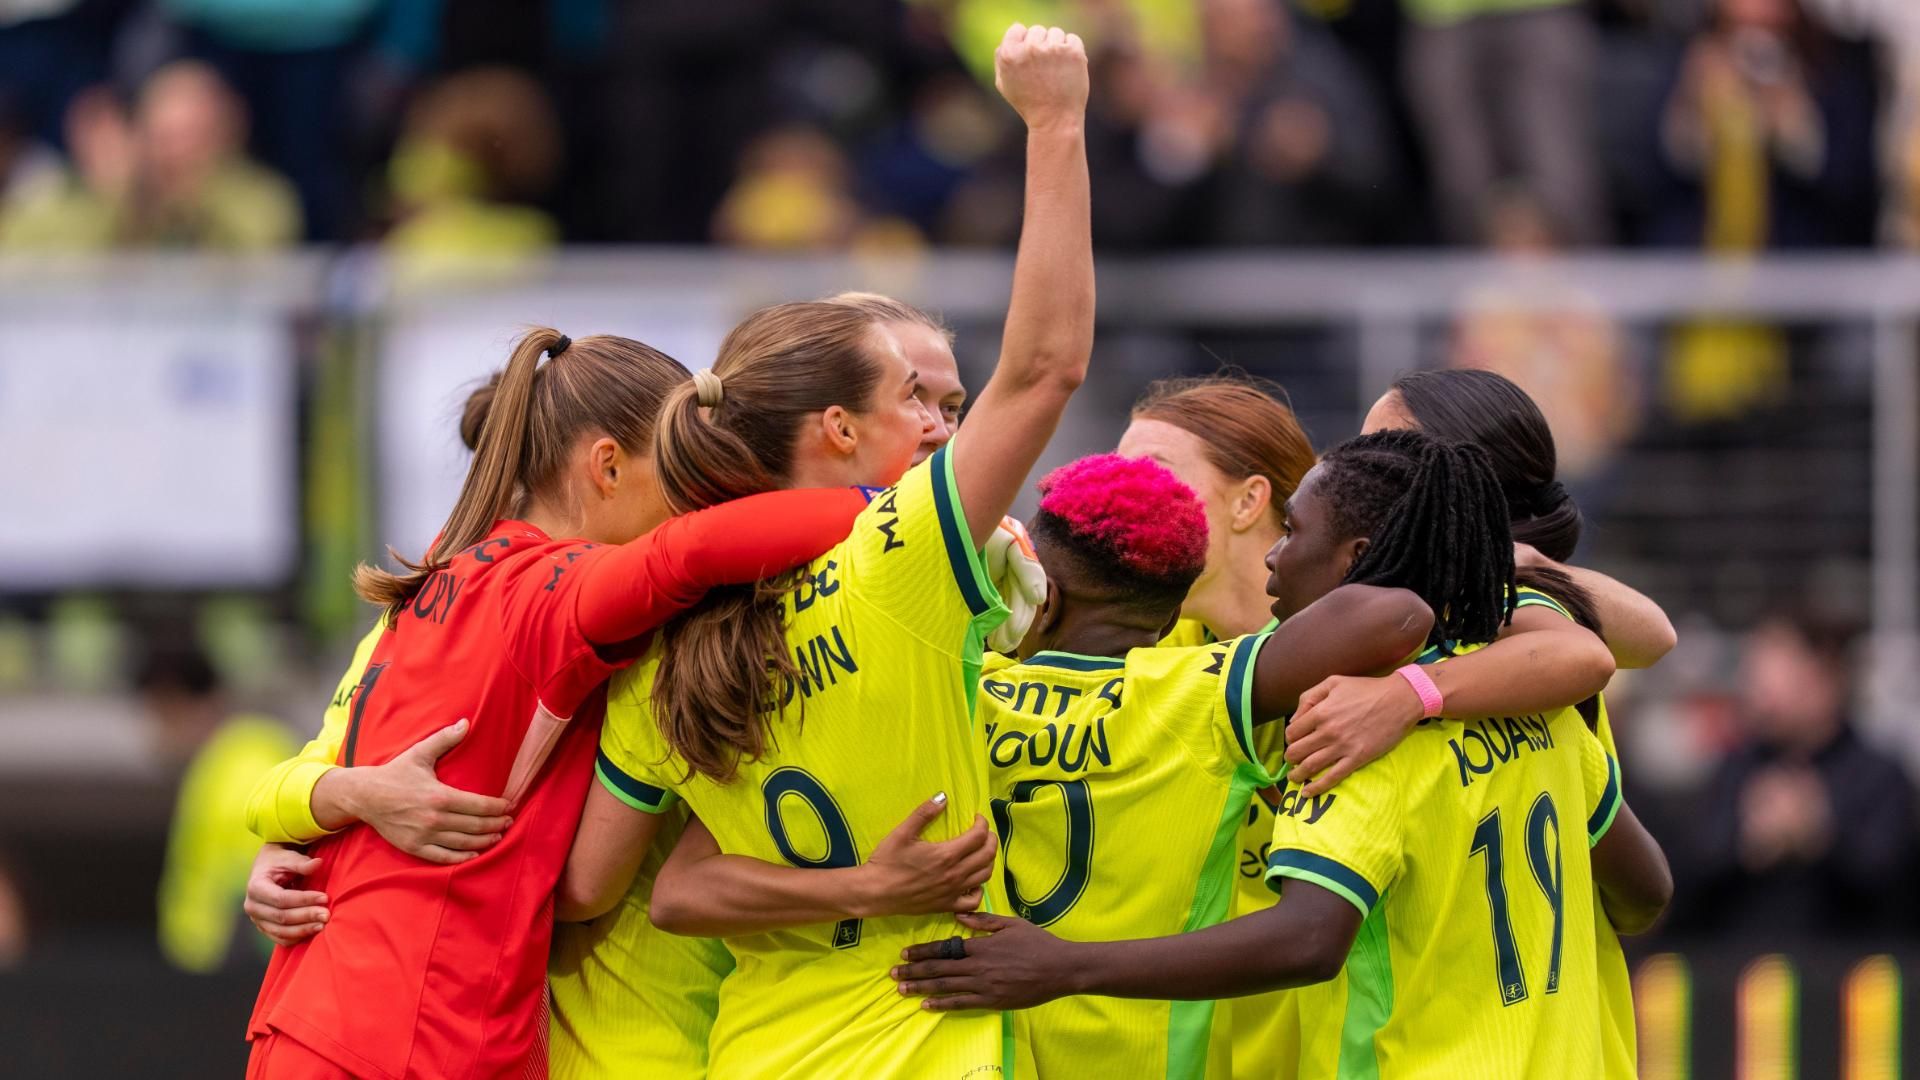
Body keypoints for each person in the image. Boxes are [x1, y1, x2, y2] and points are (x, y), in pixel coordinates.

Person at [559, 23, 1092, 1077]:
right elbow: (1043, 368)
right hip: (918, 1040)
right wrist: (1056, 120)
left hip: (760, 1051)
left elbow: (618, 889)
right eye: (919, 401)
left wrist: (852, 888)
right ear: (837, 433)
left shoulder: (666, 648)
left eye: (953, 400)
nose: (948, 427)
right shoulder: (899, 560)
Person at [891, 430, 1674, 1079]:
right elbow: (1644, 895)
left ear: (1355, 555)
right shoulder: (1547, 713)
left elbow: (1308, 938)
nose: (1273, 556)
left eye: (1294, 533)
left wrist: (1069, 965)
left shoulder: (1349, 732)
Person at [242, 330, 877, 1080]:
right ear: (607, 466)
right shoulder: (556, 591)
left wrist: (327, 803)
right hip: (406, 1030)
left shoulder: (450, 568)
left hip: (334, 1012)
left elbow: (312, 767)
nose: (693, 509)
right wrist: (908, 512)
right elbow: (693, 555)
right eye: (682, 480)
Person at [1681, 616, 1918, 938]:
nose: (1755, 686)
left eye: (1774, 668)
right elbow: (1687, 879)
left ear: (1824, 675)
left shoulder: (1879, 775)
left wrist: (1817, 832)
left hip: (1855, 972)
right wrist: (1749, 842)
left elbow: (1892, 884)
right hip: (1739, 973)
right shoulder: (1733, 770)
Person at [146, 637, 299, 973]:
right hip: (215, 963)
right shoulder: (217, 765)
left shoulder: (245, 762)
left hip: (235, 967)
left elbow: (264, 874)